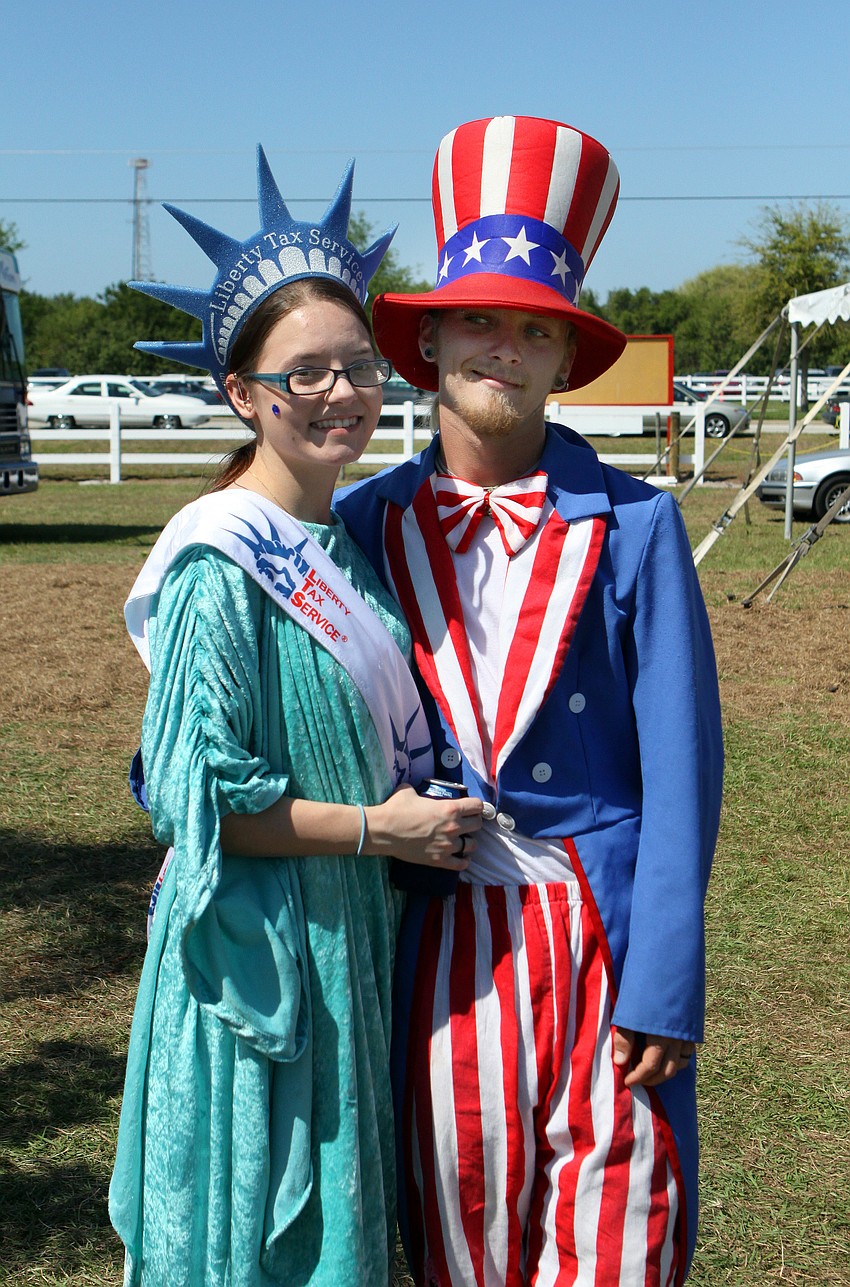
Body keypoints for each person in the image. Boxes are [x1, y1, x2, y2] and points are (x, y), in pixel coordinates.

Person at [335, 115, 724, 1286]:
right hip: (440, 947)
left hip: (599, 948)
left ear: (566, 358)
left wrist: (664, 980)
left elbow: (683, 770)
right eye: (480, 319)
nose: (502, 347)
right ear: (433, 339)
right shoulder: (361, 530)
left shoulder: (638, 529)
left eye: (533, 329)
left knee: (619, 1232)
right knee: (461, 1229)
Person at [108, 146, 483, 1287]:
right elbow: (195, 802)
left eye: (358, 367)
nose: (339, 393)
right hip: (255, 960)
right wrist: (387, 831)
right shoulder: (218, 563)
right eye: (303, 372)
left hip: (348, 941)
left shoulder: (347, 551)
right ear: (243, 393)